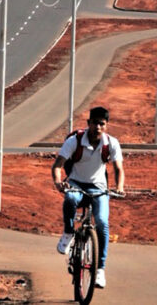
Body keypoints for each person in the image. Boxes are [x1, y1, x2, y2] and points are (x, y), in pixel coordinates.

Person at [52, 106, 125, 290]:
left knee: (102, 222)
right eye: (95, 123)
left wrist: (120, 187)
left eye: (102, 123)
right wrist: (58, 182)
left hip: (99, 188)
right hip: (76, 184)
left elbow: (118, 169)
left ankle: (100, 269)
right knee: (69, 199)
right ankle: (68, 233)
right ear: (88, 123)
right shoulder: (74, 141)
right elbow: (57, 165)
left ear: (106, 125)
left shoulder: (111, 143)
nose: (98, 127)